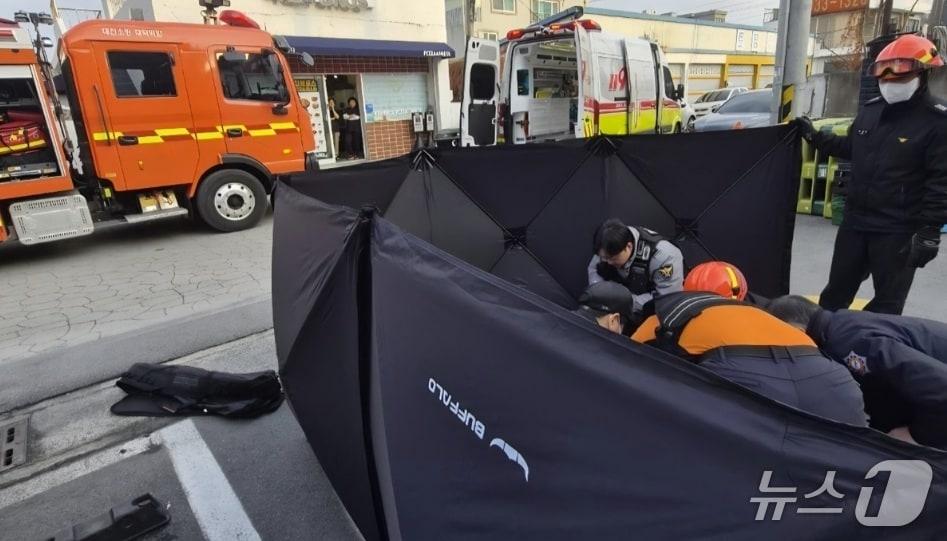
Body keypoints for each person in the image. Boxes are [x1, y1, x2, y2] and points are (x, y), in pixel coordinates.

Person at [792, 34, 947, 315]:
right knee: (834, 297)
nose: (889, 80)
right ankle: (823, 347)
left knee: (887, 305)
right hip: (856, 222)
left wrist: (929, 230)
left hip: (897, 230)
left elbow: (942, 181)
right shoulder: (870, 111)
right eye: (882, 73)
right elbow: (852, 147)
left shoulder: (937, 122)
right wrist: (814, 137)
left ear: (923, 73)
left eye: (898, 72)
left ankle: (872, 352)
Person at [628, 263, 867, 426]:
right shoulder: (765, 314)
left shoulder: (668, 314)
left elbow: (625, 364)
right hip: (838, 385)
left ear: (687, 289)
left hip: (753, 387)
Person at [768, 295, 947, 448]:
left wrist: (916, 436)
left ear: (798, 331)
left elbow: (942, 390)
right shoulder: (840, 325)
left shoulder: (854, 343)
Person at [587, 219, 684, 320]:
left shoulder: (665, 257)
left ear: (628, 246)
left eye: (612, 258)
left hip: (651, 315)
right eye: (604, 258)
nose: (608, 262)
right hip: (613, 306)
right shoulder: (607, 242)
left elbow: (668, 299)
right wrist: (600, 293)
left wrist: (621, 301)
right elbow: (594, 269)